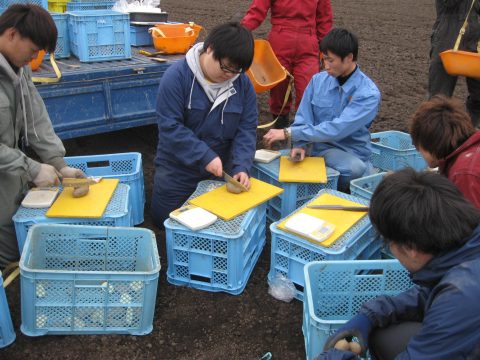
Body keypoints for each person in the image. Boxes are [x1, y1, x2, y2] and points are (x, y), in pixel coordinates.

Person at [316, 168, 480, 360]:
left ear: (410, 248)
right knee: (385, 336)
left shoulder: (462, 296)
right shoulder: (463, 250)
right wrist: (370, 315)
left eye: (388, 241)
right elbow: (432, 291)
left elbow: (452, 299)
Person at [0, 4, 85, 269]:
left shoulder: (18, 66)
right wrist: (32, 167)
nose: (34, 57)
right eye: (33, 50)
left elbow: (35, 118)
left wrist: (59, 164)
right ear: (12, 34)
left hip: (7, 173)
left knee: (12, 243)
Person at [151, 22, 258, 228]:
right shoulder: (176, 78)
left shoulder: (242, 84)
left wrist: (241, 166)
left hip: (220, 169)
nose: (229, 75)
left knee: (220, 223)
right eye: (225, 67)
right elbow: (170, 127)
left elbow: (246, 129)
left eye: (236, 70)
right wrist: (204, 155)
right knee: (165, 220)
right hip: (178, 167)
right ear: (210, 49)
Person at [263, 28, 381, 192]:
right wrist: (300, 144)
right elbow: (304, 116)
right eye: (323, 59)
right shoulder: (317, 81)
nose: (326, 66)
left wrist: (290, 133)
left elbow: (338, 128)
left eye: (331, 60)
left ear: (349, 58)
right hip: (318, 147)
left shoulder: (368, 94)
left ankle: (335, 190)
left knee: (354, 169)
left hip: (350, 152)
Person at [240, 0, 333, 129]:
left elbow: (324, 18)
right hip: (280, 41)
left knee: (308, 89)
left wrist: (326, 49)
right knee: (279, 89)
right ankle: (280, 126)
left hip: (308, 45)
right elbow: (257, 10)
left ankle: (303, 130)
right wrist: (241, 29)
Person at [410, 95, 480, 208]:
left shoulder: (464, 173)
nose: (418, 151)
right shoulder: (472, 150)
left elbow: (469, 222)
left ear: (430, 143)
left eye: (417, 146)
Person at [429, 0, 480, 127]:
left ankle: (468, 134)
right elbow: (448, 3)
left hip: (474, 41)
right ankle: (433, 137)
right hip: (447, 39)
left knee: (478, 97)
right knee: (439, 99)